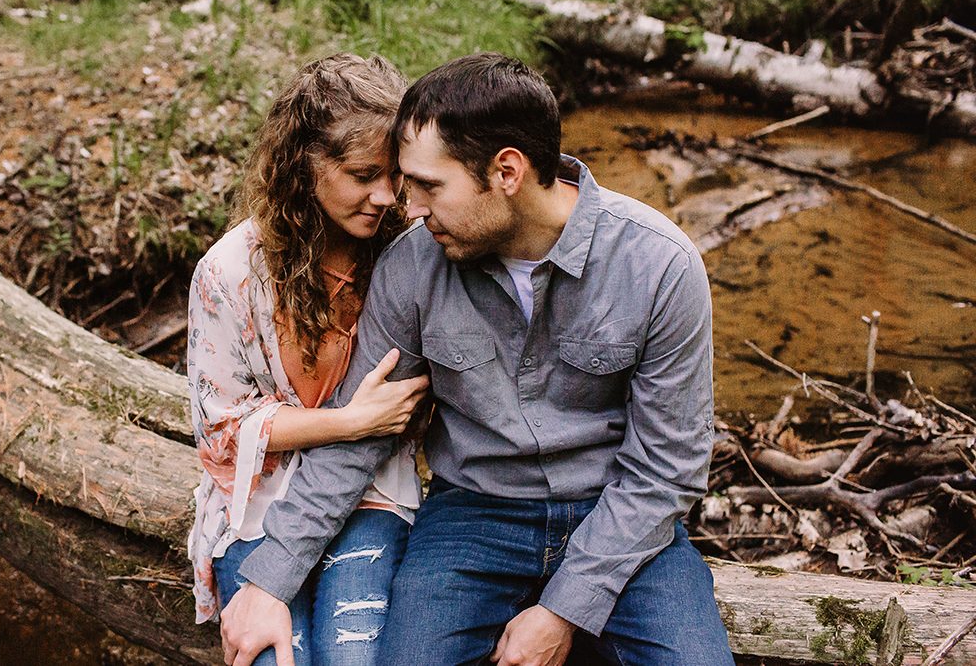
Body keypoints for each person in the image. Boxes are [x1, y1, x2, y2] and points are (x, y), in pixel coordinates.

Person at [220, 53, 735, 666]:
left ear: (507, 172)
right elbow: (357, 439)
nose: (407, 208)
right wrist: (267, 580)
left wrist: (563, 610)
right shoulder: (413, 265)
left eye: (429, 186)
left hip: (621, 519)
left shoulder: (659, 265)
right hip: (472, 518)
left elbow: (667, 468)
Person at [185, 53, 429, 666]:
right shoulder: (231, 273)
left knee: (353, 656)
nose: (385, 195)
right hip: (258, 503)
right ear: (304, 165)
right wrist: (349, 421)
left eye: (394, 173)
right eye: (362, 173)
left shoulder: (411, 251)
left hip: (370, 490)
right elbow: (219, 429)